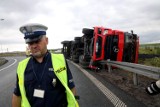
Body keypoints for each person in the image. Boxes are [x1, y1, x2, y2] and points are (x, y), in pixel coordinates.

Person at [12, 23, 79, 107]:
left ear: (46, 40)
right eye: (30, 43)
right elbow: (17, 94)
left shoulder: (60, 60)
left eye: (37, 41)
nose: (33, 46)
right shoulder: (22, 66)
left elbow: (71, 87)